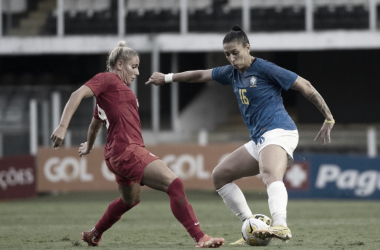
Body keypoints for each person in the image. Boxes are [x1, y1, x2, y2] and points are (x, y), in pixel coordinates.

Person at [146, 25, 334, 245]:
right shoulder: (231, 73)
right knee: (220, 176)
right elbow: (198, 75)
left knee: (269, 173)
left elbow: (305, 85)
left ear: (248, 47)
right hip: (259, 139)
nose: (231, 58)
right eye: (227, 54)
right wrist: (167, 78)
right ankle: (251, 226)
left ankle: (280, 223)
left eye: (235, 52)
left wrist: (328, 117)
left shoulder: (265, 68)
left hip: (279, 131)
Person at [50, 41, 225, 248]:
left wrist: (89, 146)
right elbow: (76, 94)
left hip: (115, 155)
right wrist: (62, 126)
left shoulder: (112, 95)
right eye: (134, 67)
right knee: (174, 183)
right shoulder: (107, 79)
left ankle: (94, 234)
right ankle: (200, 237)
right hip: (127, 150)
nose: (138, 72)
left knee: (130, 200)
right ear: (120, 64)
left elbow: (95, 124)